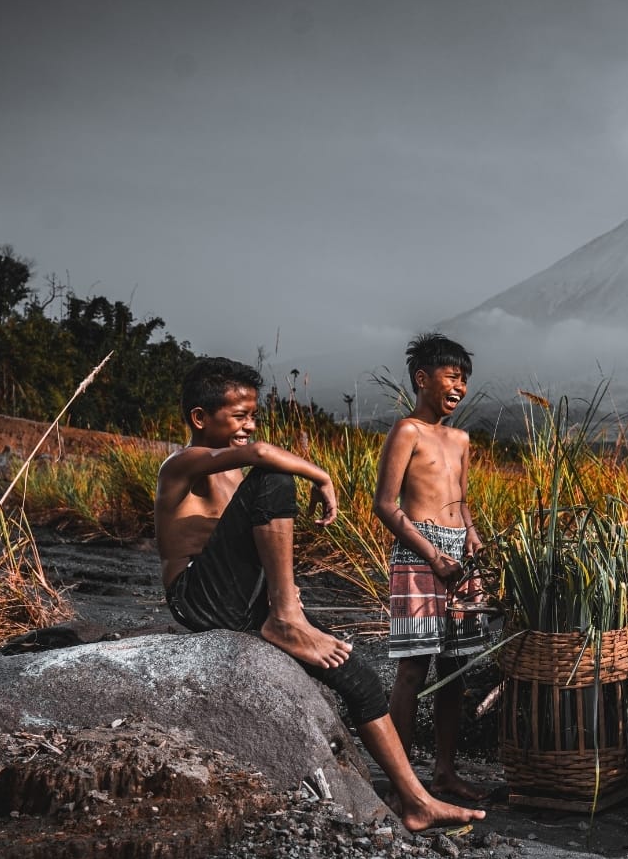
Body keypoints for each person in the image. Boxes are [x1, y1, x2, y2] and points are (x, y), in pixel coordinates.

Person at [154, 356, 484, 832]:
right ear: (200, 418)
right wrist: (322, 477)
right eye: (239, 416)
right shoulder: (182, 465)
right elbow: (264, 456)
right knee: (274, 478)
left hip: (240, 601)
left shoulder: (233, 473)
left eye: (253, 415)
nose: (250, 426)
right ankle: (285, 617)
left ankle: (414, 801)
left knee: (361, 676)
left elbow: (252, 552)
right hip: (196, 597)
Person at [375, 333, 499, 802]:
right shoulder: (408, 431)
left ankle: (444, 773)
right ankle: (402, 780)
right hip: (419, 554)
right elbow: (385, 506)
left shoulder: (461, 438)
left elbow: (461, 501)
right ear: (422, 378)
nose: (460, 386)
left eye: (465, 379)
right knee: (413, 669)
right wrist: (432, 553)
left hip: (459, 556)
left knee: (454, 670)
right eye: (452, 376)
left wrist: (471, 534)